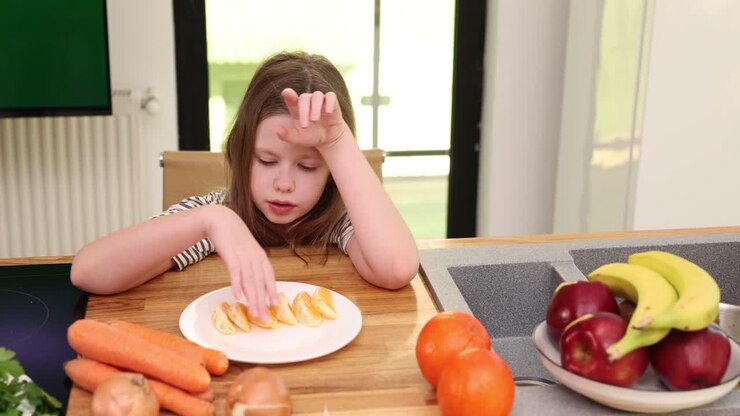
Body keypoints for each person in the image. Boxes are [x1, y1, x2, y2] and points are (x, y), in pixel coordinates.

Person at [70, 51, 420, 320]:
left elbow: (397, 269)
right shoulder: (215, 216)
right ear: (240, 153)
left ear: (334, 172)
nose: (283, 184)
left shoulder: (339, 222)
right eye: (266, 161)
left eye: (308, 165)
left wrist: (339, 142)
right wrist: (212, 220)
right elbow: (88, 272)